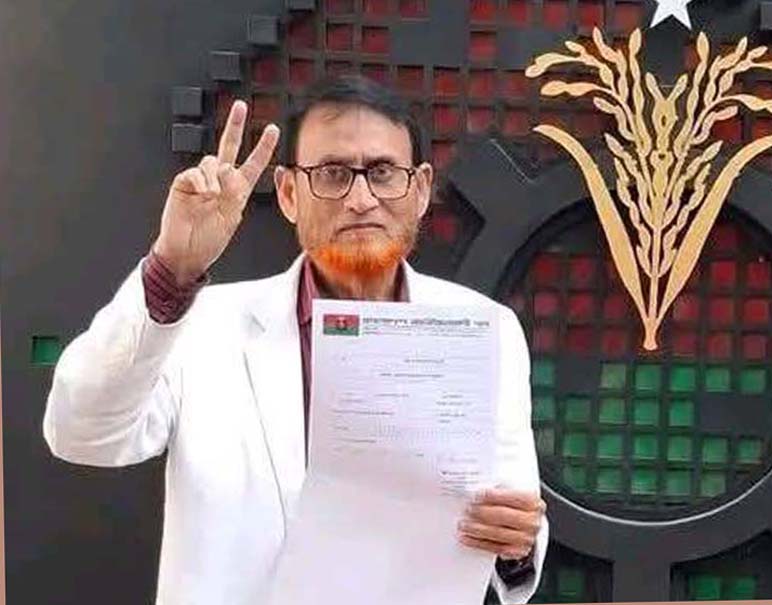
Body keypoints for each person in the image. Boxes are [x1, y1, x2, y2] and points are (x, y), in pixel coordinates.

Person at [42, 75, 547, 604]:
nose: (360, 199)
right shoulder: (201, 326)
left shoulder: (483, 330)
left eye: (382, 173)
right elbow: (82, 433)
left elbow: (512, 512)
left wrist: (515, 545)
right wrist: (171, 270)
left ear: (419, 189)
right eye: (332, 174)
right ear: (288, 193)